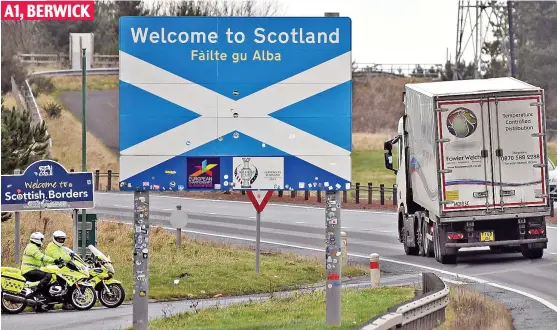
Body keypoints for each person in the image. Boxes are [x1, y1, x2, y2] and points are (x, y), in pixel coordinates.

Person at [21, 232, 63, 301]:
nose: (42, 241)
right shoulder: (32, 248)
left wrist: (53, 264)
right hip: (29, 270)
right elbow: (41, 257)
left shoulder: (31, 246)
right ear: (37, 240)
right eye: (41, 239)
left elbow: (42, 260)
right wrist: (54, 260)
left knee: (46, 276)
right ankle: (36, 292)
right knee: (48, 276)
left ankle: (43, 297)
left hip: (30, 270)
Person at [45, 230, 73, 309]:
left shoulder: (60, 247)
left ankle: (66, 302)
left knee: (67, 283)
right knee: (65, 283)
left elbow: (65, 256)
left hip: (58, 268)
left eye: (62, 239)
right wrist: (70, 257)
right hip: (52, 268)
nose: (60, 241)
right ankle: (66, 303)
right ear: (54, 238)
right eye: (59, 239)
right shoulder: (52, 246)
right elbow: (60, 257)